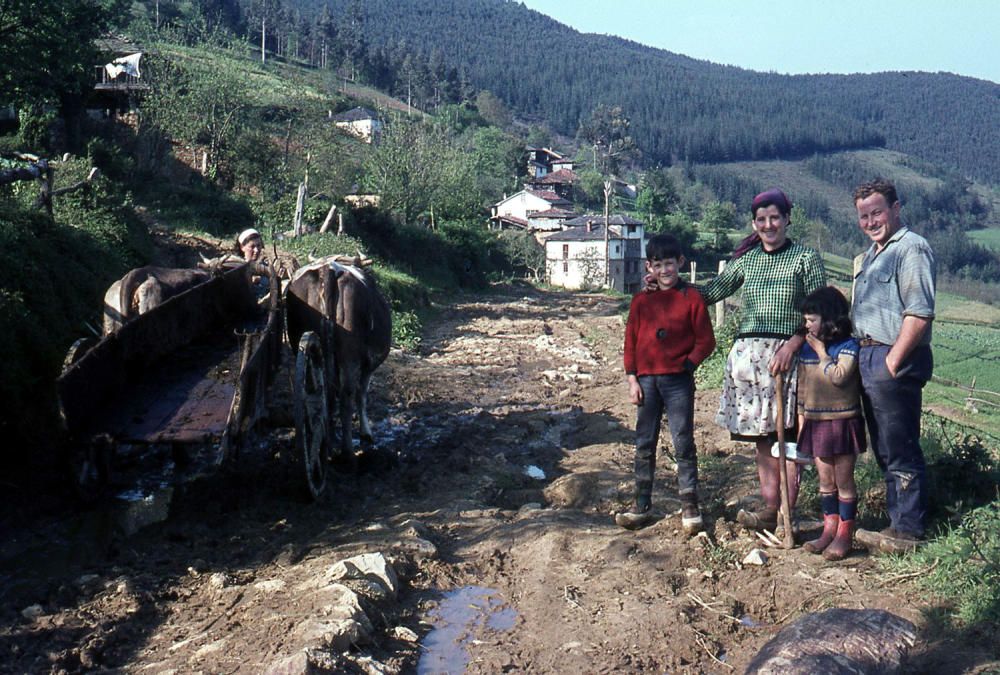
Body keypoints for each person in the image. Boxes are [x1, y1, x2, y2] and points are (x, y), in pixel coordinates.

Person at [699, 188, 826, 535]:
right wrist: (666, 285)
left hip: (788, 358)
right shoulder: (748, 260)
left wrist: (795, 343)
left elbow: (821, 310)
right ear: (754, 224)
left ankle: (787, 513)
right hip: (749, 362)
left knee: (787, 437)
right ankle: (771, 509)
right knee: (762, 438)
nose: (768, 225)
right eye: (761, 219)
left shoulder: (805, 258)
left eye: (774, 218)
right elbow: (710, 292)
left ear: (787, 218)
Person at [850, 178, 936, 554]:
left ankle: (909, 531)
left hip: (892, 357)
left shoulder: (911, 249)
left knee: (900, 445)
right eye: (864, 216)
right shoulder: (869, 255)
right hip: (868, 356)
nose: (871, 221)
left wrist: (891, 362)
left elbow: (918, 314)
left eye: (877, 212)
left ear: (896, 208)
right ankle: (895, 523)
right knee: (884, 446)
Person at [617, 234, 717, 532]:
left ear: (680, 263)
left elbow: (706, 340)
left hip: (677, 383)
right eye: (658, 265)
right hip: (647, 381)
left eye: (669, 264)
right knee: (644, 441)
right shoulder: (640, 301)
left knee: (683, 440)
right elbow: (630, 341)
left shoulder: (692, 298)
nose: (664, 271)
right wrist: (632, 378)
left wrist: (687, 365)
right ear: (649, 266)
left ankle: (689, 503)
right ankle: (642, 502)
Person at [796, 286, 865, 560]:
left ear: (829, 319)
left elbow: (838, 377)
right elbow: (802, 387)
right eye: (805, 320)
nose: (807, 325)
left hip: (842, 420)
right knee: (825, 480)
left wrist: (823, 353)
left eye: (811, 320)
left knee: (843, 479)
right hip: (816, 421)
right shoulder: (805, 348)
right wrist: (802, 419)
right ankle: (829, 528)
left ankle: (845, 533)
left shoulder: (848, 347)